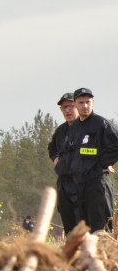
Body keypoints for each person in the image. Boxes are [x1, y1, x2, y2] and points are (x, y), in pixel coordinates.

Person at [63, 88, 118, 232]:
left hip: (97, 183)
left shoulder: (101, 124)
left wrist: (103, 162)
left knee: (101, 229)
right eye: (81, 103)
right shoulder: (74, 127)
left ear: (93, 103)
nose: (85, 106)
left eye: (88, 102)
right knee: (84, 230)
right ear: (76, 105)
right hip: (80, 186)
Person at [48, 92, 80, 235]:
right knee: (68, 221)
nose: (68, 110)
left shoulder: (90, 127)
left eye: (71, 106)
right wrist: (56, 160)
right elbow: (52, 148)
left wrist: (106, 163)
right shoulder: (60, 131)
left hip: (84, 181)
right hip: (65, 182)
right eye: (64, 107)